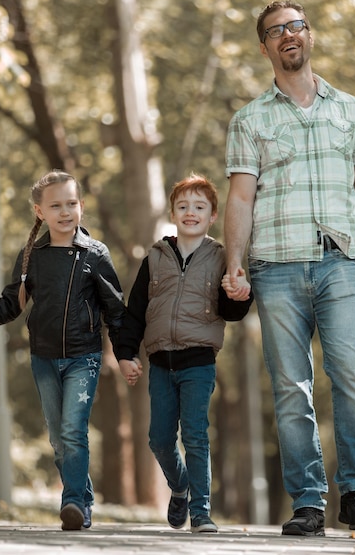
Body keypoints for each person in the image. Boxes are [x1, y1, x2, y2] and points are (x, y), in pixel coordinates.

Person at [222, 0, 355, 536]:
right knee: (290, 386)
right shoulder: (250, 119)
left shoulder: (351, 110)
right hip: (275, 266)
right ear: (265, 48)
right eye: (275, 32)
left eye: (295, 26)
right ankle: (307, 501)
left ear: (310, 35)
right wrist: (235, 265)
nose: (287, 36)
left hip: (341, 261)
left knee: (352, 376)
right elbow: (239, 200)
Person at [0, 170, 125, 531]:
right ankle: (82, 495)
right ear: (40, 211)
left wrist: (127, 355)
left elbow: (115, 311)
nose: (65, 211)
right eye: (56, 205)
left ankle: (73, 503)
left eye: (72, 203)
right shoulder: (31, 258)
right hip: (43, 359)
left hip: (84, 358)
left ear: (82, 206)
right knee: (58, 438)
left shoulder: (95, 254)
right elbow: (10, 306)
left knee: (73, 430)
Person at [115, 173, 254, 533]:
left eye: (199, 207)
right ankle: (179, 486)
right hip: (160, 361)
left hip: (199, 362)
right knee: (159, 438)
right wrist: (126, 354)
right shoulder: (155, 258)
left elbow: (232, 310)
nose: (190, 212)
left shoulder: (222, 257)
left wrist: (241, 293)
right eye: (183, 206)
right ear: (173, 213)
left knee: (195, 434)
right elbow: (136, 311)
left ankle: (201, 511)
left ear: (212, 216)